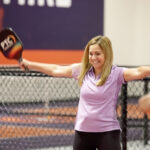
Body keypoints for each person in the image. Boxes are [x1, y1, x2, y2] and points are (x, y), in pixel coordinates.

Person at [20, 35, 150, 150]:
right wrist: (30, 64)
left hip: (108, 132)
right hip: (82, 133)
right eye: (90, 53)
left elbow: (140, 71)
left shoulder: (116, 73)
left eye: (98, 54)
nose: (93, 57)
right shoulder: (82, 70)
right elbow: (56, 69)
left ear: (107, 54)